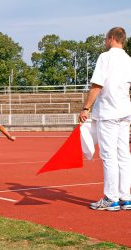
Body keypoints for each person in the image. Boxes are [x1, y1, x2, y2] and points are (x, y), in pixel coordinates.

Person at [79, 27, 131, 211]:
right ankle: (126, 197)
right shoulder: (128, 60)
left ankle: (111, 198)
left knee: (109, 156)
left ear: (110, 39)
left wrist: (86, 108)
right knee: (124, 155)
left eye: (105, 39)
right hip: (124, 112)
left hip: (108, 112)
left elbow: (97, 85)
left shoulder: (105, 57)